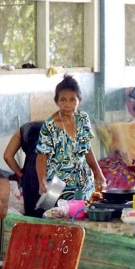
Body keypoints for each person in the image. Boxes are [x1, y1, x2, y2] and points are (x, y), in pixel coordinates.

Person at [36, 74, 106, 202]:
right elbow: (41, 156)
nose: (68, 104)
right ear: (56, 101)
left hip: (83, 180)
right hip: (58, 184)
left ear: (79, 100)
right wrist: (42, 181)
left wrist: (97, 171)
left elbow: (87, 148)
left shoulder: (83, 119)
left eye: (72, 99)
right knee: (60, 216)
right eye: (63, 100)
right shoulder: (50, 125)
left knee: (84, 215)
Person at [3, 121, 44, 217]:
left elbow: (7, 156)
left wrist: (20, 173)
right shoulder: (58, 129)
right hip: (49, 173)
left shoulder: (24, 129)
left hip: (30, 174)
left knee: (32, 215)